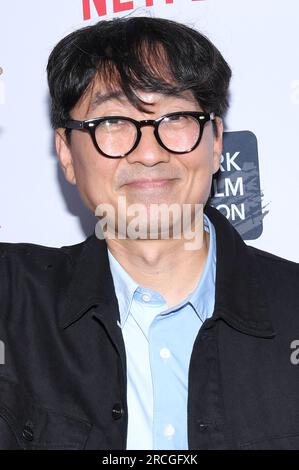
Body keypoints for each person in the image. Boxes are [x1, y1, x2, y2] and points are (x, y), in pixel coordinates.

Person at [0, 16, 299, 451]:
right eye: (114, 121)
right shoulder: (12, 301)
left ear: (215, 142)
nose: (149, 152)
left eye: (175, 116)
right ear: (66, 152)